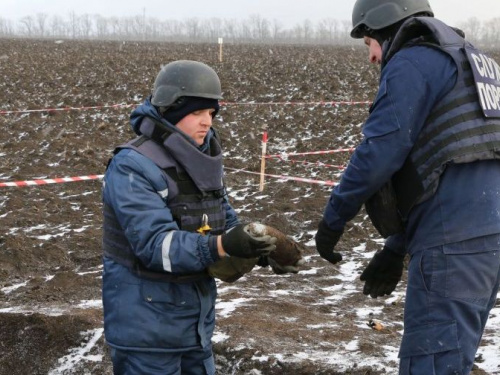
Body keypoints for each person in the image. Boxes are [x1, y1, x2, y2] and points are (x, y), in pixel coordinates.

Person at [314, 0, 500, 373]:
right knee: (452, 358)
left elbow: (381, 152)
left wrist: (333, 221)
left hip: (453, 241)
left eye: (369, 43)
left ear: (384, 26)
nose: (371, 57)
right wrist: (397, 245)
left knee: (429, 364)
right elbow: (449, 162)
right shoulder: (475, 62)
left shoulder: (413, 61)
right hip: (487, 237)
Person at [101, 60, 276, 374]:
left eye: (211, 113)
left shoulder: (200, 159)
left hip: (194, 329)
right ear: (171, 110)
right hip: (146, 335)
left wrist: (254, 246)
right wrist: (220, 246)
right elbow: (156, 246)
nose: (206, 122)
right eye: (196, 112)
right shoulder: (132, 166)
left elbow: (223, 217)